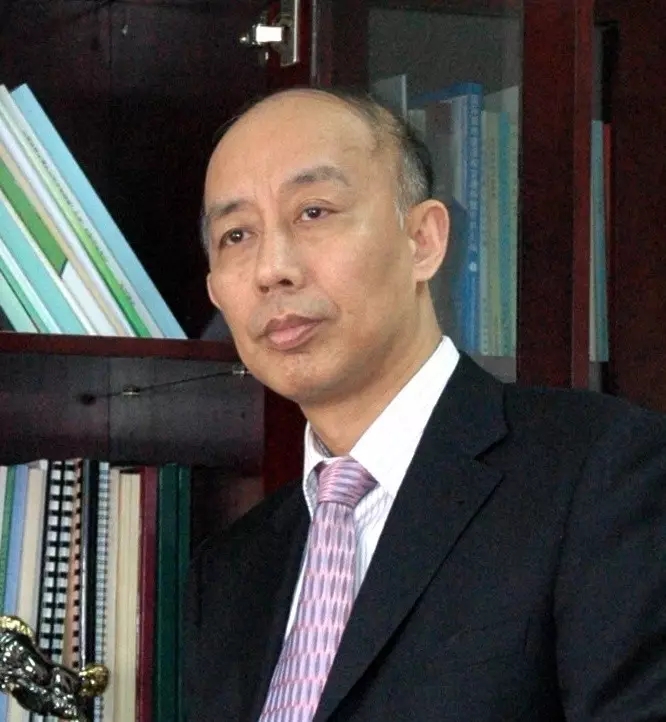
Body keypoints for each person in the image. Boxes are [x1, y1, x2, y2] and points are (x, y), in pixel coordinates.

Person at [184, 87, 666, 722]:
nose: (272, 268)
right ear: (217, 291)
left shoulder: (600, 472)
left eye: (314, 212)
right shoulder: (230, 571)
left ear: (423, 240)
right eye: (237, 234)